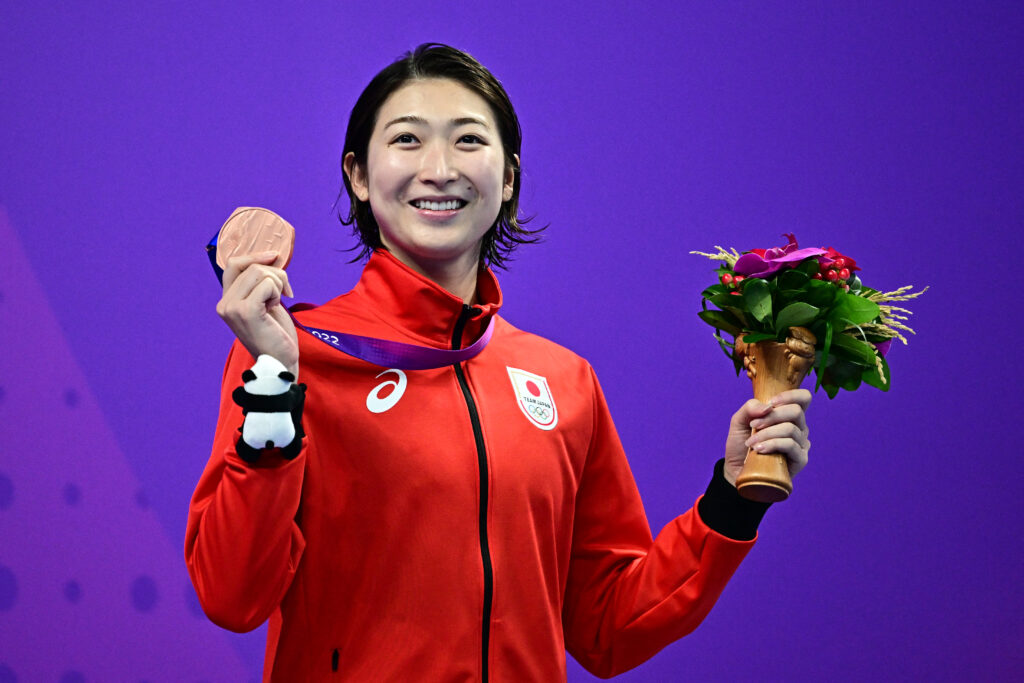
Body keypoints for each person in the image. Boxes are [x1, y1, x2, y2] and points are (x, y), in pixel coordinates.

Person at [186, 43, 811, 682]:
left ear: (507, 177)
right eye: (406, 139)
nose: (438, 169)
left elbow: (606, 628)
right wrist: (275, 386)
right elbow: (232, 596)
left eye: (468, 141)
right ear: (359, 176)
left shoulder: (565, 382)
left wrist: (732, 499)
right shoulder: (290, 353)